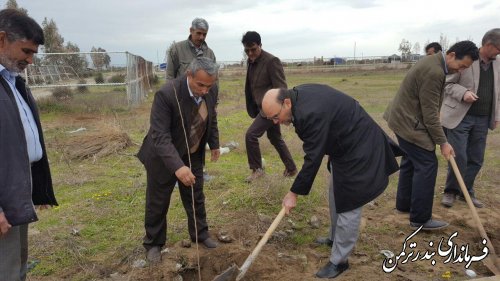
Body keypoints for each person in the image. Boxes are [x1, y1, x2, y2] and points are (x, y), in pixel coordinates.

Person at [261, 85, 401, 279]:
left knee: (349, 203)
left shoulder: (310, 113)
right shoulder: (297, 98)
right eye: (271, 119)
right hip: (344, 148)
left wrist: (293, 193)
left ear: (286, 102)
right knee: (335, 194)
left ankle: (339, 261)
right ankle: (335, 238)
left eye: (276, 116)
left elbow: (313, 157)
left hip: (361, 148)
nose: (276, 122)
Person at [384, 40, 479, 230]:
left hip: (401, 119)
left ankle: (404, 205)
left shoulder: (433, 61)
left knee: (411, 161)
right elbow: (429, 116)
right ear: (451, 55)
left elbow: (430, 107)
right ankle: (420, 219)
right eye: (461, 66)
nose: (461, 71)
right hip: (408, 123)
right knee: (427, 164)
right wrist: (443, 143)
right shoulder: (434, 71)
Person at [137, 57, 220, 263]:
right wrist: (177, 166)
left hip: (192, 152)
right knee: (158, 200)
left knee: (195, 195)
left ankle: (200, 234)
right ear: (189, 75)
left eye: (209, 86)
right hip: (163, 157)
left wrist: (214, 143)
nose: (204, 91)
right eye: (200, 85)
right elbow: (160, 136)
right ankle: (154, 243)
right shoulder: (167, 94)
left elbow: (212, 116)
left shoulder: (210, 90)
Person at [0, 9, 58, 281]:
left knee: (18, 265)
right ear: (1, 40)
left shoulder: (13, 82)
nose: (30, 60)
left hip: (16, 192)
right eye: (26, 51)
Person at [440, 29, 500, 209]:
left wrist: (496, 115)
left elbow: (498, 92)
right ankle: (450, 191)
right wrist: (463, 92)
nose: (499, 52)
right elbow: (446, 83)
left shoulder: (498, 64)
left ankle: (466, 191)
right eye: (498, 48)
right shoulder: (466, 59)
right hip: (460, 117)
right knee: (459, 157)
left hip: (482, 119)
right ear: (488, 45)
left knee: (476, 158)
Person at [166, 17, 217, 182]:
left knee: (199, 137)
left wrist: (213, 101)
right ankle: (176, 171)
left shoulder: (209, 53)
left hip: (201, 102)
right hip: (181, 103)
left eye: (205, 34)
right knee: (178, 136)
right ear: (191, 31)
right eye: (199, 33)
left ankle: (199, 170)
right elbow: (170, 77)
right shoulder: (177, 49)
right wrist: (171, 101)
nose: (202, 37)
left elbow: (214, 79)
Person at [242, 31, 297, 182]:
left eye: (253, 49)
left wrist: (279, 111)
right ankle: (291, 168)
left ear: (260, 45)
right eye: (247, 50)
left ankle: (257, 170)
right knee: (275, 137)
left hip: (271, 108)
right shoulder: (251, 61)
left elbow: (281, 87)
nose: (250, 53)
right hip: (260, 107)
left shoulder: (272, 61)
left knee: (251, 135)